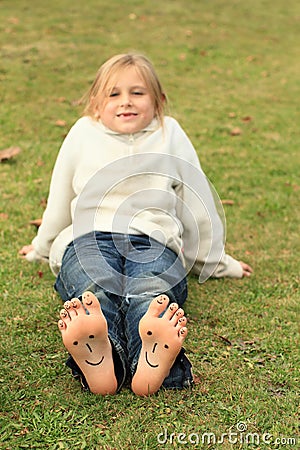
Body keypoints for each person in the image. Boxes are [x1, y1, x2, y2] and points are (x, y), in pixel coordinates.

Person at [19, 53, 253, 396]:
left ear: (158, 102)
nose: (125, 101)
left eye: (137, 93)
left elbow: (195, 199)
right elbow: (59, 197)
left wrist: (217, 261)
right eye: (113, 94)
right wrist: (42, 246)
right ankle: (100, 357)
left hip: (154, 239)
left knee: (152, 292)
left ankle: (152, 356)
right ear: (96, 104)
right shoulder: (83, 133)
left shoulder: (169, 133)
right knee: (93, 291)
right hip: (89, 237)